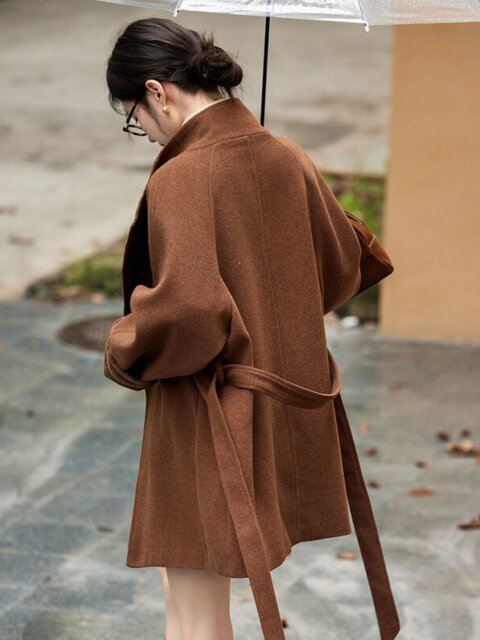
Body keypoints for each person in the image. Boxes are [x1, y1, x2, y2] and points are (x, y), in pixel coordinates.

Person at [104, 16, 400, 640]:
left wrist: (122, 345)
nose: (145, 133)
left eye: (135, 118)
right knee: (192, 589)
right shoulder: (285, 154)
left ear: (156, 91)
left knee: (192, 617)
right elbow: (344, 264)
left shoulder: (183, 175)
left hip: (205, 410)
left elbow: (188, 313)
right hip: (278, 407)